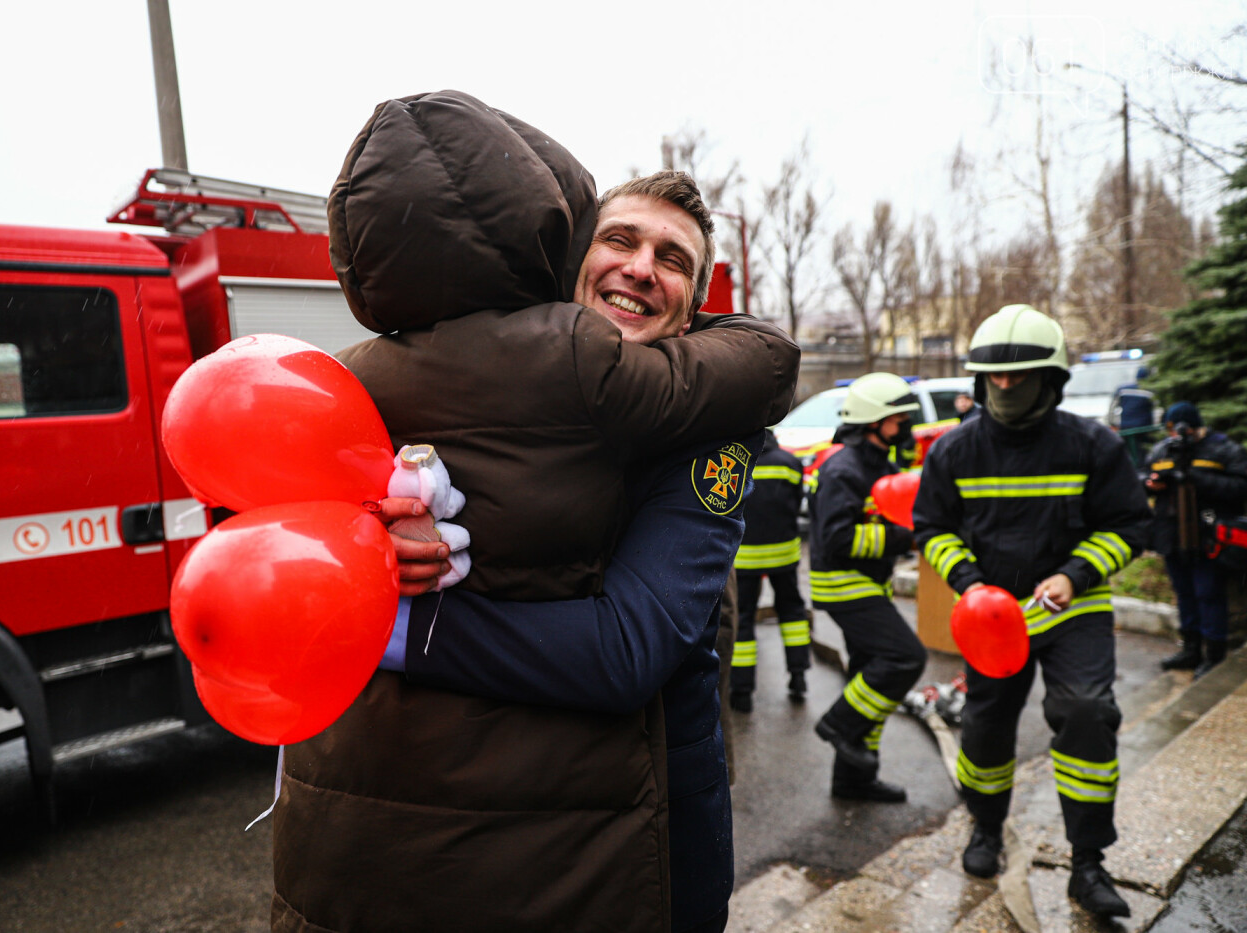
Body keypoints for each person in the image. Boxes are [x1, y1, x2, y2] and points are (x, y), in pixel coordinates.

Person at [271, 91, 799, 933]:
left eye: (673, 259)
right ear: (566, 258)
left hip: (656, 834)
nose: (641, 267)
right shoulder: (430, 386)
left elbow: (627, 649)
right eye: (619, 240)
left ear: (693, 310)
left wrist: (393, 627)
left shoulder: (706, 435)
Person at [912, 304, 1151, 920]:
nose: (1005, 386)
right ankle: (986, 828)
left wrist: (1075, 575)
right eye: (995, 376)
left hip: (1073, 610)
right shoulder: (953, 451)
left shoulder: (1093, 445)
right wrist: (970, 586)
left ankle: (1088, 864)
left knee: (1086, 713)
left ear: (1051, 378)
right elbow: (931, 526)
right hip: (993, 618)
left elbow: (1130, 524)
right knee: (986, 727)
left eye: (1018, 376)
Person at [808, 372, 928, 803]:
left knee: (867, 678)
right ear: (874, 421)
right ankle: (838, 724)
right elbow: (837, 539)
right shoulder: (844, 469)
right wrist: (902, 539)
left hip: (870, 583)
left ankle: (854, 779)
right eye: (899, 419)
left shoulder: (881, 466)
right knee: (904, 657)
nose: (906, 427)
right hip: (843, 584)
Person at [1145, 401, 1247, 679]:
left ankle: (1214, 654)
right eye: (1170, 430)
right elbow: (1142, 474)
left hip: (1208, 535)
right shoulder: (1163, 449)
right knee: (1185, 593)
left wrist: (1195, 479)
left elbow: (1241, 486)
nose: (1177, 435)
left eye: (1182, 430)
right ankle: (1190, 649)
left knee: (1208, 593)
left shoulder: (1223, 449)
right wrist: (1151, 483)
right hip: (1172, 535)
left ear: (1196, 427)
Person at [730, 430, 810, 710]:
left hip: (745, 558)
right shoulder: (790, 462)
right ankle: (798, 676)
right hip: (783, 555)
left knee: (742, 619)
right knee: (792, 612)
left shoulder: (734, 462)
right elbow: (797, 504)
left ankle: (741, 693)